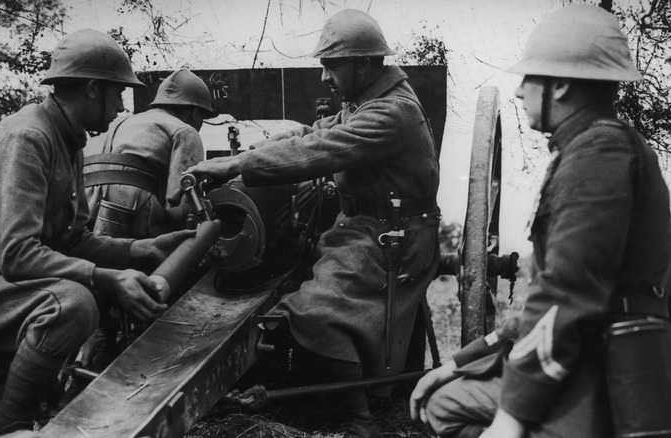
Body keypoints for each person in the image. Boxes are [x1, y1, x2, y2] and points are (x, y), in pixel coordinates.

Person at [409, 5, 671, 438]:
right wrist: (459, 363)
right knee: (447, 397)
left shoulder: (597, 154)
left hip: (608, 366)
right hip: (589, 350)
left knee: (449, 408)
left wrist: (511, 417)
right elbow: (545, 303)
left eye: (530, 78)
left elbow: (567, 293)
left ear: (562, 84)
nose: (518, 92)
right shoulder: (595, 147)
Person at [0, 29, 193, 437]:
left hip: (4, 285)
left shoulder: (69, 140)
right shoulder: (28, 136)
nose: (121, 107)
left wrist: (140, 249)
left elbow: (71, 240)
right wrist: (107, 278)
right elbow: (18, 253)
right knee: (73, 305)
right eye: (119, 93)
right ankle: (15, 429)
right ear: (93, 89)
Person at [185, 9, 440, 438]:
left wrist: (236, 166)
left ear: (363, 63)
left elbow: (320, 149)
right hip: (362, 228)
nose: (323, 77)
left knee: (315, 311)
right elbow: (312, 131)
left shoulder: (393, 114)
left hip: (393, 237)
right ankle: (318, 399)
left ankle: (362, 421)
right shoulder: (367, 103)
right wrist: (256, 150)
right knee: (290, 287)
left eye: (331, 65)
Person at [86, 68, 217, 238]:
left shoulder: (121, 122)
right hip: (135, 217)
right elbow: (178, 209)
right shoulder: (185, 131)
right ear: (194, 112)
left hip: (85, 208)